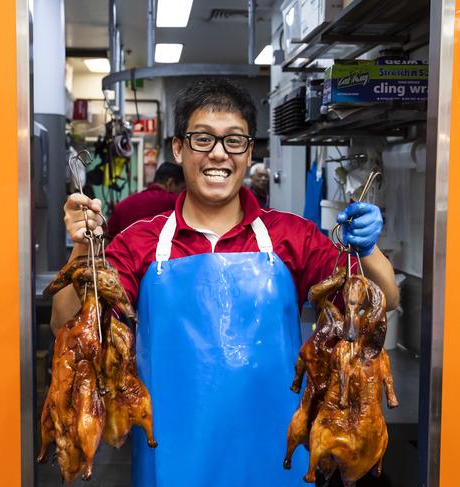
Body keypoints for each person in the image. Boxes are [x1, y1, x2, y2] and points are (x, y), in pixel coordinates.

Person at [53, 78, 398, 487]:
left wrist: (368, 249)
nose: (218, 153)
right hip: (172, 454)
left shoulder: (291, 235)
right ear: (178, 149)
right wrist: (81, 249)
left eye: (234, 141)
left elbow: (386, 299)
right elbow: (65, 322)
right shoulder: (140, 242)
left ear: (249, 151)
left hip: (277, 457)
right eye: (203, 139)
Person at [106, 162, 185, 238]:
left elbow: (108, 238)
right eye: (182, 189)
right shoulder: (176, 202)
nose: (184, 194)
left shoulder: (123, 204)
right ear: (170, 183)